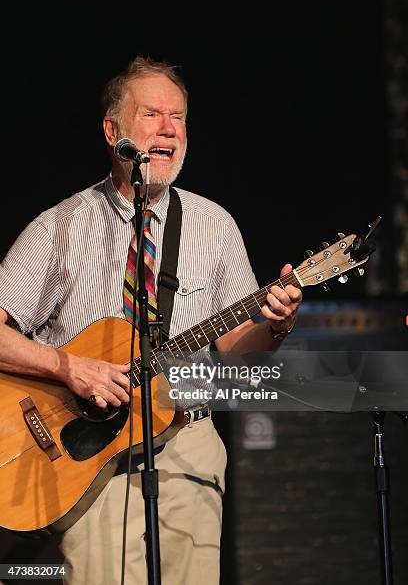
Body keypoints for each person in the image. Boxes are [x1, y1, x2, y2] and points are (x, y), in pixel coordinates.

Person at [0, 56, 302, 584]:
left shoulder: (215, 225)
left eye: (178, 117)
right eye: (152, 116)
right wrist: (71, 367)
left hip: (188, 446)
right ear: (113, 131)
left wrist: (274, 325)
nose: (168, 129)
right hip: (88, 460)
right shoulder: (60, 225)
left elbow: (234, 354)